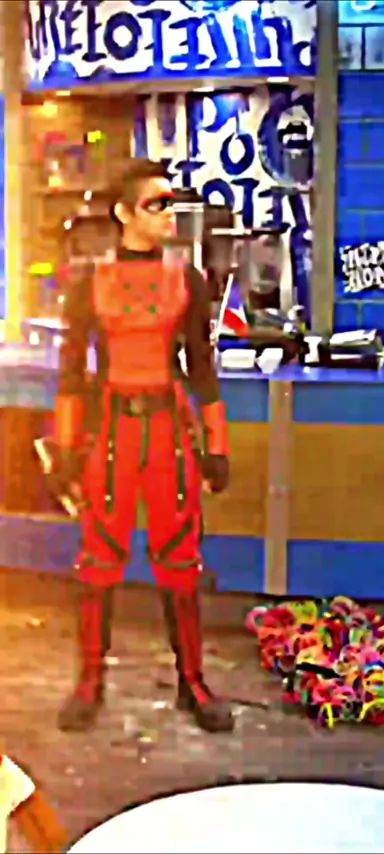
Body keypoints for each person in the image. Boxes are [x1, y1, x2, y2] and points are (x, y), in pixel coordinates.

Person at [48, 160, 234, 734]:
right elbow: (71, 371)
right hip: (111, 435)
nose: (169, 214)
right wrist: (65, 448)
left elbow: (201, 367)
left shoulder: (188, 280)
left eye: (171, 203)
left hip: (168, 433)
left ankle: (192, 681)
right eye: (157, 204)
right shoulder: (88, 282)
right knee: (98, 563)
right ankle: (89, 681)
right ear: (124, 213)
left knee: (181, 561)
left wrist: (216, 443)